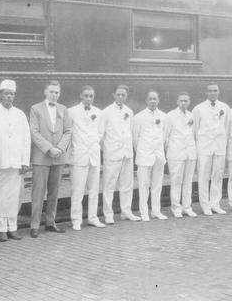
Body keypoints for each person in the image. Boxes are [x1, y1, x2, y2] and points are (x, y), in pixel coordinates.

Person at [29, 80, 72, 238]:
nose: (54, 95)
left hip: (58, 157)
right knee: (38, 192)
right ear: (45, 92)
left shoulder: (63, 109)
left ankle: (50, 222)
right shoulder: (36, 109)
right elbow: (34, 132)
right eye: (52, 92)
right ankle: (34, 225)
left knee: (54, 192)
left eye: (57, 92)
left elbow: (68, 131)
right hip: (42, 157)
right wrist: (49, 148)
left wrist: (60, 148)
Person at [0, 80, 31, 240]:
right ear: (1, 95)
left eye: (12, 94)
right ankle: (1, 228)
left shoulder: (20, 114)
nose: (9, 96)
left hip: (16, 163)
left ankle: (12, 227)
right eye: (6, 93)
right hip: (0, 164)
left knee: (14, 197)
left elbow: (26, 139)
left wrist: (24, 161)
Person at [101, 84, 140, 223]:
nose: (121, 97)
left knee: (127, 184)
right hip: (112, 154)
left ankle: (126, 211)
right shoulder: (105, 112)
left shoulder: (129, 111)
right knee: (109, 185)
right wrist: (108, 150)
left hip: (127, 153)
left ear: (126, 96)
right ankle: (108, 214)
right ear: (113, 95)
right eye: (118, 94)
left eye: (123, 95)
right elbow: (101, 135)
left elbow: (129, 131)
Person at [68, 85, 105, 231]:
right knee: (77, 190)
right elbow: (69, 133)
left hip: (94, 156)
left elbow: (100, 132)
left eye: (91, 96)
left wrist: (94, 145)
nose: (89, 98)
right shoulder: (71, 112)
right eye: (86, 96)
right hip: (79, 156)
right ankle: (76, 219)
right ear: (80, 96)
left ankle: (92, 217)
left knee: (94, 189)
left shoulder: (99, 113)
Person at [192, 84, 230, 215]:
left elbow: (227, 128)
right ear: (206, 93)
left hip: (219, 146)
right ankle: (205, 205)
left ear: (219, 92)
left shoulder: (225, 107)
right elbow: (195, 130)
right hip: (204, 147)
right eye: (210, 91)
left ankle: (215, 204)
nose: (213, 93)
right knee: (203, 176)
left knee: (218, 175)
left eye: (215, 91)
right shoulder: (198, 108)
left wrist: (224, 144)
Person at [132, 90, 168, 221]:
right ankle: (144, 212)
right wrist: (142, 151)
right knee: (143, 185)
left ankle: (156, 211)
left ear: (158, 100)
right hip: (144, 156)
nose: (153, 101)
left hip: (158, 155)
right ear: (146, 101)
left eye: (155, 99)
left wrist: (159, 150)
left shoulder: (164, 117)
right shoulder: (138, 117)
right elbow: (135, 139)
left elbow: (165, 136)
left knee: (157, 185)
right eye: (150, 99)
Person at [164, 92, 198, 218]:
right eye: (181, 101)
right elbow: (166, 137)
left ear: (189, 102)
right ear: (177, 102)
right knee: (176, 181)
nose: (183, 103)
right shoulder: (170, 116)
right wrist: (172, 149)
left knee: (188, 182)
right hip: (176, 153)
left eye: (186, 101)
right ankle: (176, 207)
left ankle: (187, 207)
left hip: (190, 153)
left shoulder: (191, 115)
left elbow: (193, 134)